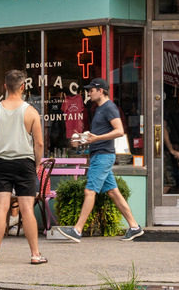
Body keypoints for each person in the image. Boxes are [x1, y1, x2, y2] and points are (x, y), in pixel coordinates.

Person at [57, 78, 144, 242]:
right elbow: (96, 136)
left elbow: (119, 131)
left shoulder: (109, 107)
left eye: (91, 90)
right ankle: (134, 227)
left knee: (89, 191)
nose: (89, 92)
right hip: (100, 154)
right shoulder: (99, 109)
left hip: (103, 156)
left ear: (101, 91)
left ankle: (77, 230)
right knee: (113, 192)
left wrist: (96, 139)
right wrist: (82, 138)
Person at [0, 69, 46, 264]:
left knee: (1, 208)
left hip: (2, 163)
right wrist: (36, 165)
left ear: (5, 86)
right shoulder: (31, 112)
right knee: (27, 209)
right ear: (23, 87)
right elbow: (39, 144)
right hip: (25, 163)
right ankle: (35, 254)